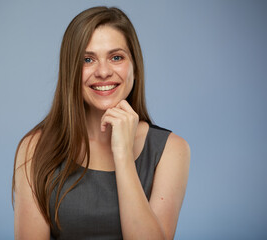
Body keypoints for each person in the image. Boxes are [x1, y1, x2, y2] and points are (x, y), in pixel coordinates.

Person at [12, 6, 190, 240]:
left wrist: (123, 155)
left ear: (134, 68)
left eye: (116, 57)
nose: (103, 72)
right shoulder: (35, 147)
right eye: (88, 59)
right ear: (71, 71)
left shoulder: (171, 150)